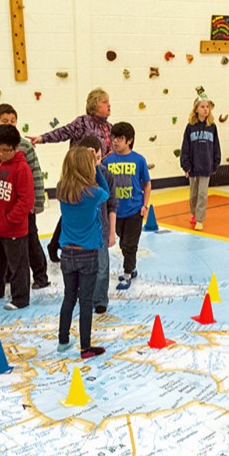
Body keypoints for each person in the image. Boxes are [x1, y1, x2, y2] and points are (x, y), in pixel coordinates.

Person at [0, 103, 49, 288]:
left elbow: (35, 174)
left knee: (30, 241)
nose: (10, 124)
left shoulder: (24, 147)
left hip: (22, 206)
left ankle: (40, 276)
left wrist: (37, 202)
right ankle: (6, 276)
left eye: (13, 121)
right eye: (5, 121)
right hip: (0, 204)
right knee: (1, 245)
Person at [55, 147, 112, 359]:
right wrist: (97, 167)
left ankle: (63, 341)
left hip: (67, 253)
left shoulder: (61, 189)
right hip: (88, 254)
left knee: (68, 297)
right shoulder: (93, 193)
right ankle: (85, 346)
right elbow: (106, 192)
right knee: (85, 300)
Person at [0, 123, 36, 309]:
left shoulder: (22, 169)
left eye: (6, 150)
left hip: (13, 228)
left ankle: (20, 298)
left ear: (16, 148)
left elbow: (26, 200)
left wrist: (9, 219)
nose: (1, 154)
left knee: (17, 265)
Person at [105, 121, 152, 291]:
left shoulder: (139, 160)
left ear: (129, 140)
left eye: (120, 138)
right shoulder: (108, 161)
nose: (115, 141)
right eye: (114, 138)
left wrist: (145, 205)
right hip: (116, 212)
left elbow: (147, 184)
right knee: (123, 243)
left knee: (130, 244)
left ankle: (126, 274)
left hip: (134, 210)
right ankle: (131, 267)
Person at [29, 88, 113, 155]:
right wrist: (42, 138)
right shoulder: (83, 122)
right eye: (105, 102)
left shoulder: (110, 127)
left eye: (108, 102)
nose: (109, 105)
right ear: (94, 105)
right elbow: (63, 132)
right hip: (82, 169)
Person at [180, 95, 221, 230]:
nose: (205, 109)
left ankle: (199, 219)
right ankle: (194, 212)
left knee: (203, 194)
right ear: (196, 109)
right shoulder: (190, 127)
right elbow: (185, 147)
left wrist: (215, 163)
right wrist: (185, 165)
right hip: (192, 167)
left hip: (206, 166)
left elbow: (216, 146)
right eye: (202, 107)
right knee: (194, 194)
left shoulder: (212, 127)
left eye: (207, 107)